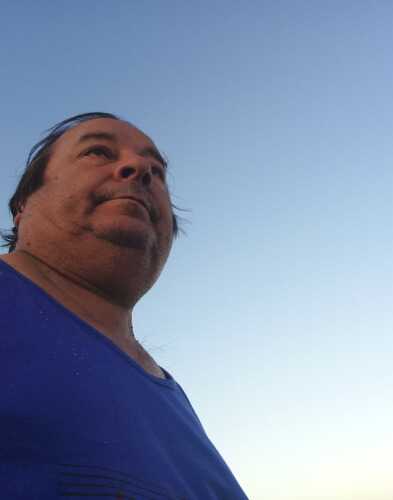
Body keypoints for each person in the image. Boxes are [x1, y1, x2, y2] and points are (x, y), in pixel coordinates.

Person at [0, 112, 248, 499]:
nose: (140, 168)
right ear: (22, 206)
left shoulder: (176, 402)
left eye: (158, 172)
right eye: (98, 152)